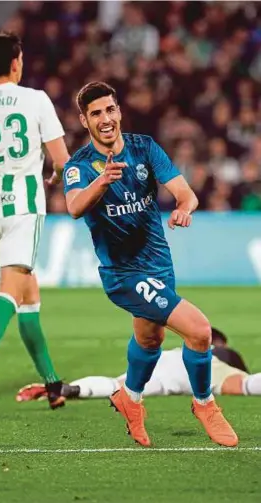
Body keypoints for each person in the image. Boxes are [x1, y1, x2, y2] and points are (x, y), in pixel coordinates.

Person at [62, 81, 238, 447]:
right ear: (84, 120)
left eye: (110, 110)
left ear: (119, 111)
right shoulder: (79, 166)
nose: (105, 118)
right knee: (200, 331)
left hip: (159, 262)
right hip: (123, 274)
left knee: (149, 337)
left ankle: (130, 397)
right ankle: (205, 403)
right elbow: (75, 207)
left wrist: (184, 208)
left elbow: (185, 192)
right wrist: (102, 181)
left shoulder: (145, 148)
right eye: (96, 114)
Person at [0, 32, 69, 413]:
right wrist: (57, 175)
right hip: (24, 207)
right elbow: (61, 159)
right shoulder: (35, 99)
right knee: (11, 292)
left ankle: (51, 383)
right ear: (16, 63)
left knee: (28, 297)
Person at [16, 328, 260, 401]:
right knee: (245, 384)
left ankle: (70, 389)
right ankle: (70, 390)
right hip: (202, 368)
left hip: (164, 362)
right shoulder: (222, 351)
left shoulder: (178, 349)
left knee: (120, 384)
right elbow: (243, 375)